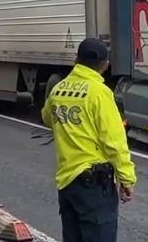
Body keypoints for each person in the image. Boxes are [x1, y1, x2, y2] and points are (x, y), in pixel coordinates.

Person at [42, 38, 136, 242]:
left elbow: (48, 118)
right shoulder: (99, 93)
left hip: (67, 183)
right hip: (94, 187)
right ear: (105, 65)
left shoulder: (58, 89)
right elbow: (114, 141)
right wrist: (127, 179)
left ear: (76, 60)